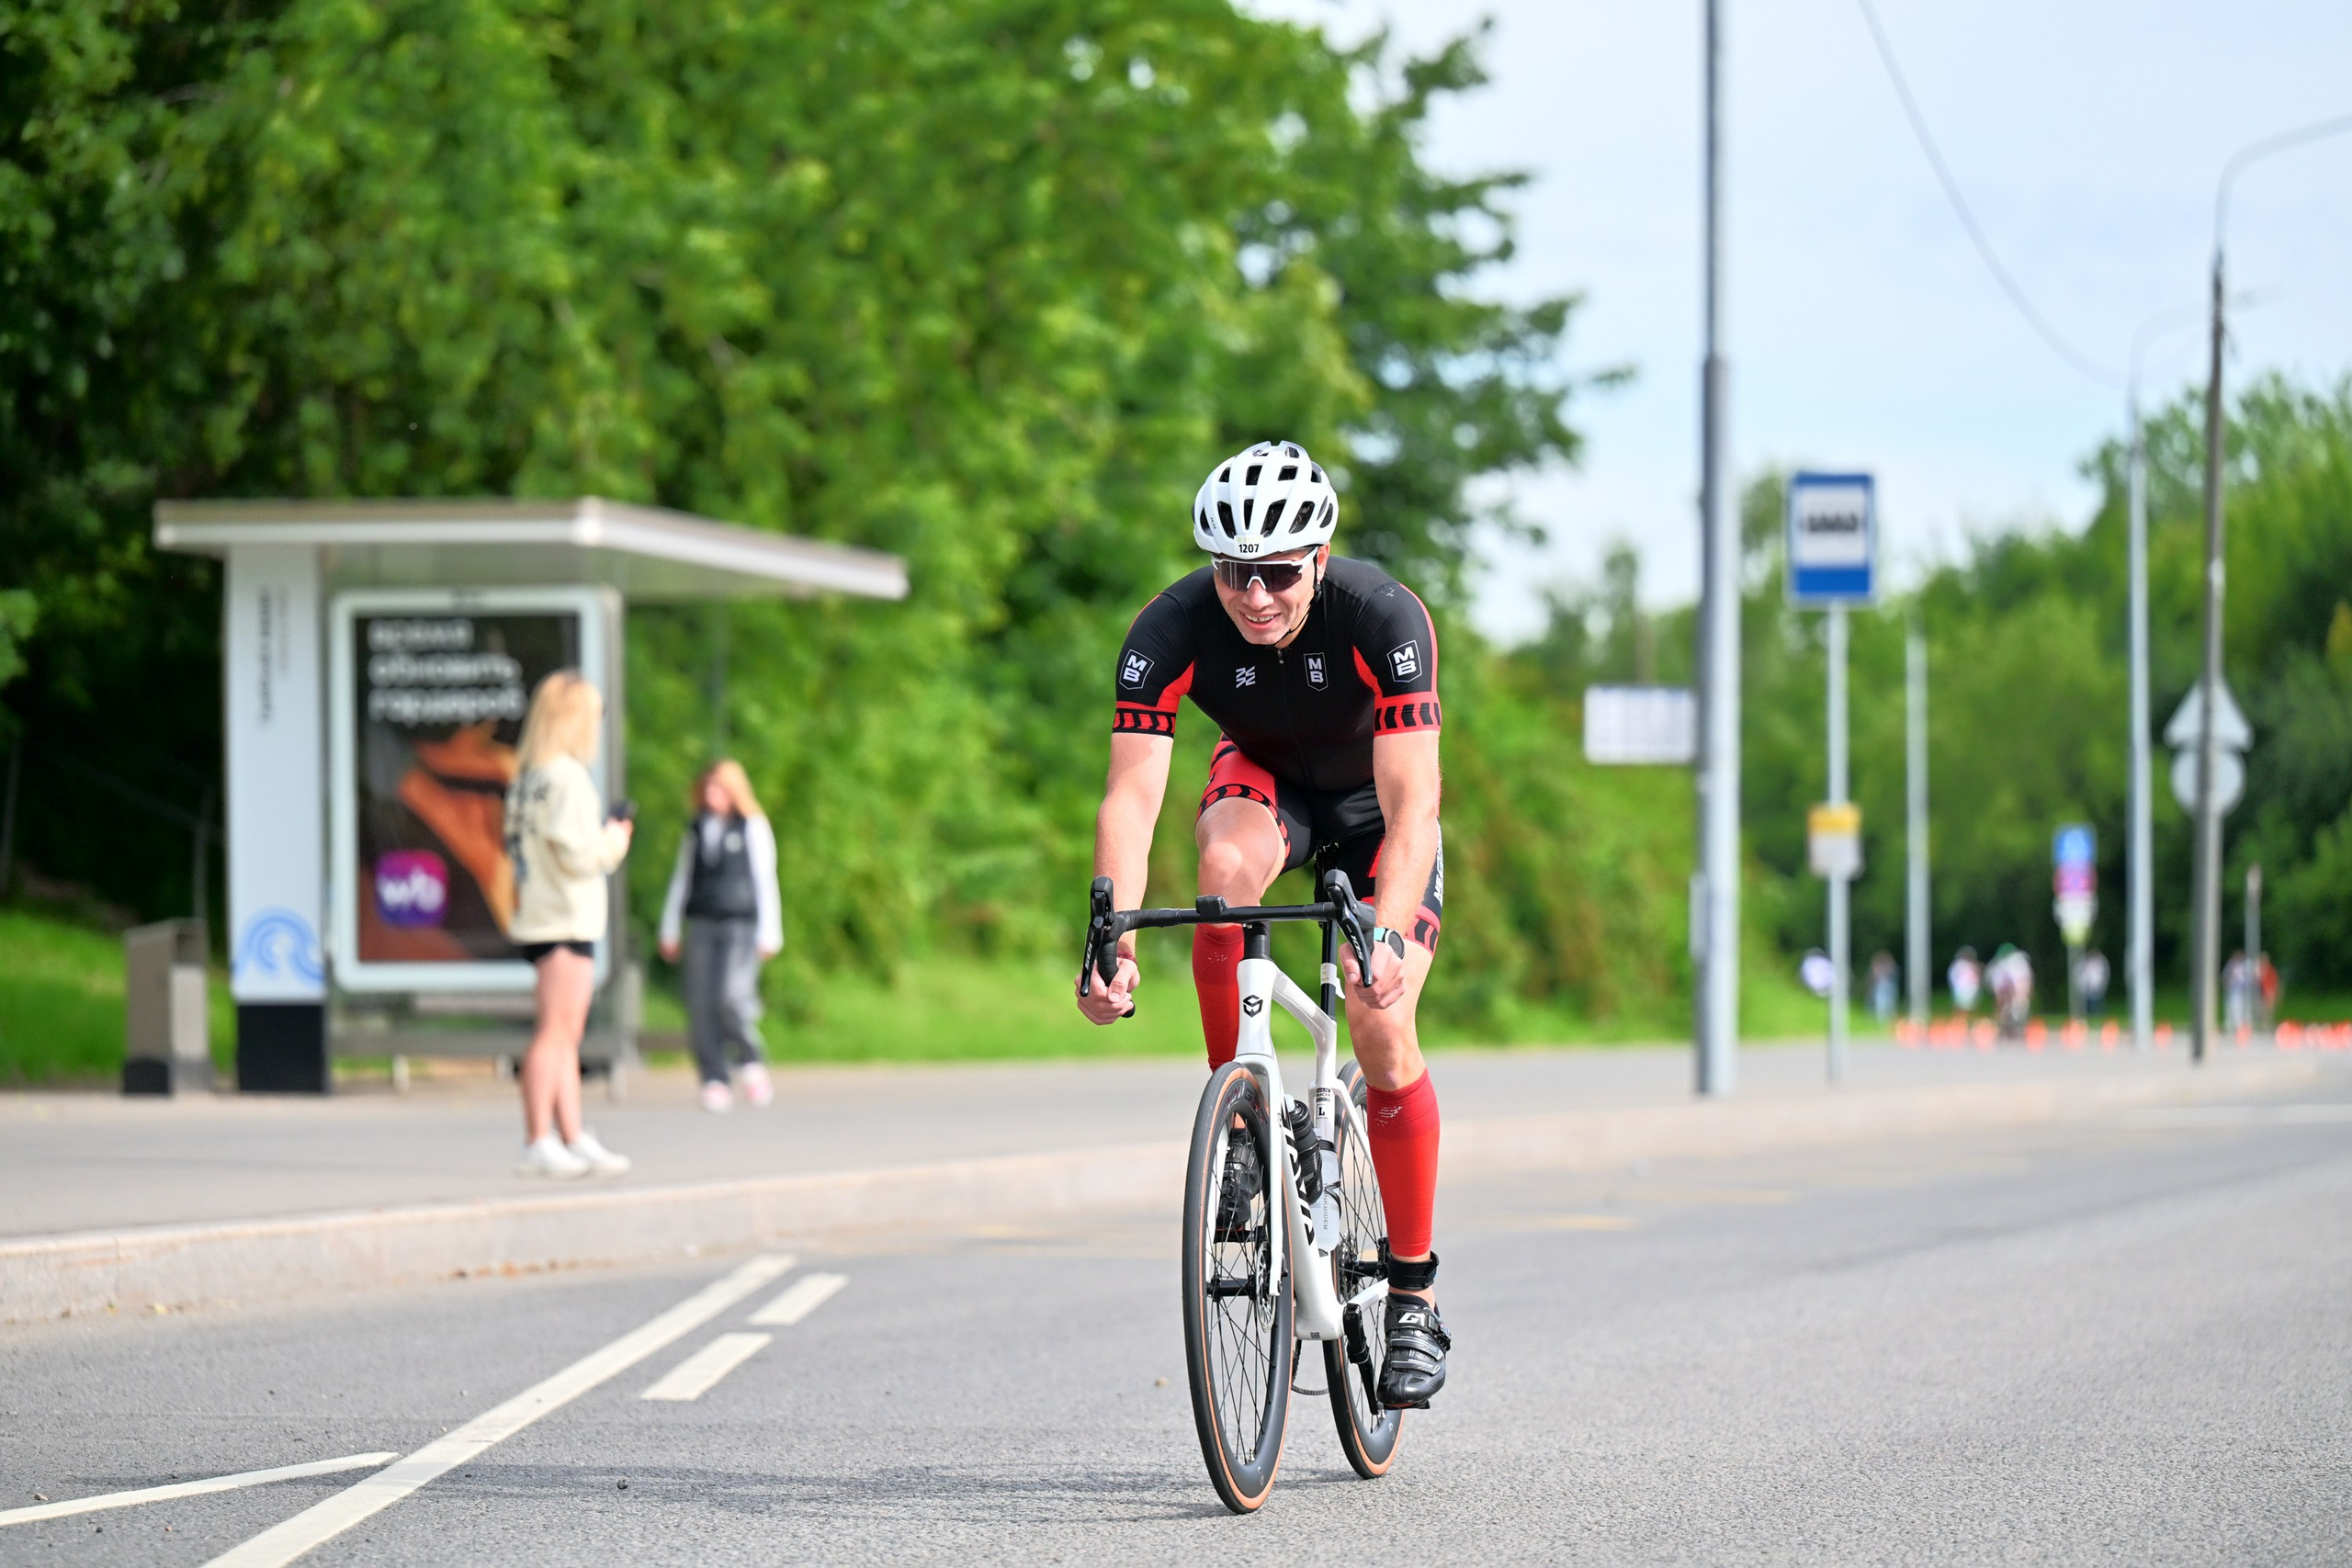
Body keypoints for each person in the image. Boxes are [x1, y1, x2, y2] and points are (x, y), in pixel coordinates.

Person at [1076, 440, 1451, 1409]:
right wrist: (1106, 934)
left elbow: (1414, 806)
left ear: (1318, 558)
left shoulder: (1384, 616)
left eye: (1279, 574)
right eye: (1234, 572)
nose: (1255, 596)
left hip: (1377, 817)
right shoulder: (1167, 630)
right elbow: (1130, 796)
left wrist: (1395, 940)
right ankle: (1242, 1112)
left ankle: (1410, 1295)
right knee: (1222, 867)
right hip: (1268, 783)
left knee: (1377, 1021)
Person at [503, 671, 634, 1177]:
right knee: (556, 1032)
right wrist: (615, 839)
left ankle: (572, 1134)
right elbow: (581, 854)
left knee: (566, 1033)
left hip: (539, 913)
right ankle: (539, 1137)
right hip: (565, 917)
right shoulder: (567, 778)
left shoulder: (528, 776)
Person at [659, 760, 784, 1112]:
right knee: (700, 1001)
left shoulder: (752, 827)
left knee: (731, 996)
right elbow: (682, 879)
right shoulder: (697, 829)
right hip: (702, 920)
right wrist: (670, 927)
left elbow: (764, 879)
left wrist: (770, 931)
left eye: (720, 789)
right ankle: (713, 1075)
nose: (713, 796)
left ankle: (749, 1058)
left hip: (739, 923)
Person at [1948, 946, 1983, 1016]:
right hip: (1963, 988)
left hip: (1967, 988)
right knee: (1961, 1008)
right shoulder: (1960, 965)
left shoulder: (1966, 965)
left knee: (1967, 1007)